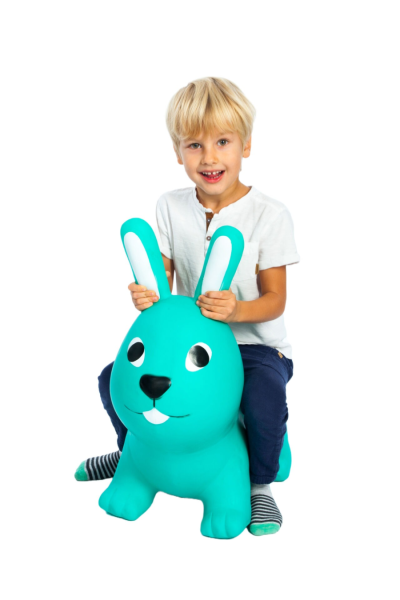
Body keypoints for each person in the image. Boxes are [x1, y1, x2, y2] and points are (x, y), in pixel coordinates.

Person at [75, 77, 300, 536]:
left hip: (254, 346)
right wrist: (145, 295)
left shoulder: (270, 214)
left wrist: (236, 312)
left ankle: (259, 484)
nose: (209, 157)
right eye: (195, 145)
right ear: (178, 152)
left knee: (262, 396)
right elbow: (160, 277)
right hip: (186, 345)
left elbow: (276, 301)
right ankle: (131, 449)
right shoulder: (170, 206)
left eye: (223, 142)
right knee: (112, 377)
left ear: (246, 145)